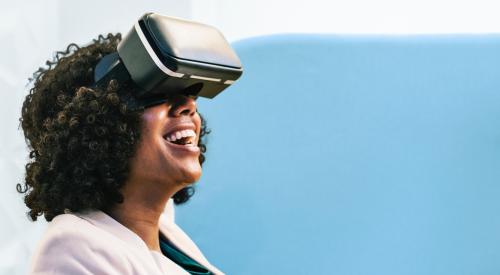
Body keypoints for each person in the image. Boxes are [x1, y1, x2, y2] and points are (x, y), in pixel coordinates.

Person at [18, 33, 224, 275]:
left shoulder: (167, 237)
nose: (189, 105)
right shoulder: (72, 246)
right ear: (99, 127)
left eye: (189, 93)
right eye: (155, 92)